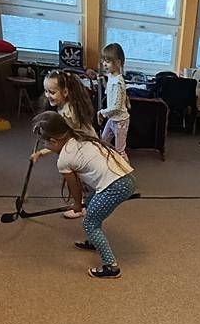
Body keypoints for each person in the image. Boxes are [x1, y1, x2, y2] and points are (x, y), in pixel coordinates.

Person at [30, 111, 135, 279]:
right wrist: (42, 153)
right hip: (125, 177)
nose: (44, 145)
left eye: (44, 143)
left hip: (114, 186)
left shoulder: (64, 160)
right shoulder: (77, 137)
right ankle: (94, 241)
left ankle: (111, 267)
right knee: (92, 203)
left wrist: (78, 205)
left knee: (90, 223)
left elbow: (75, 187)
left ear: (54, 141)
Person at [35, 70, 97, 219]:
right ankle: (85, 202)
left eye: (52, 92)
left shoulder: (68, 114)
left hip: (86, 148)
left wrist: (42, 152)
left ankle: (80, 206)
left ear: (65, 92)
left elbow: (62, 142)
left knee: (74, 175)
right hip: (80, 145)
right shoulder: (63, 107)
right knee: (79, 176)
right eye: (46, 91)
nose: (48, 95)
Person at [98, 43, 130, 156]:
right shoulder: (111, 76)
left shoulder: (118, 82)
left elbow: (116, 107)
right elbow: (109, 92)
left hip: (120, 121)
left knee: (119, 150)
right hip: (112, 118)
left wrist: (102, 112)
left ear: (118, 63)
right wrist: (103, 82)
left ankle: (125, 167)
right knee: (103, 142)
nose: (104, 64)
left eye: (107, 61)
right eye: (103, 60)